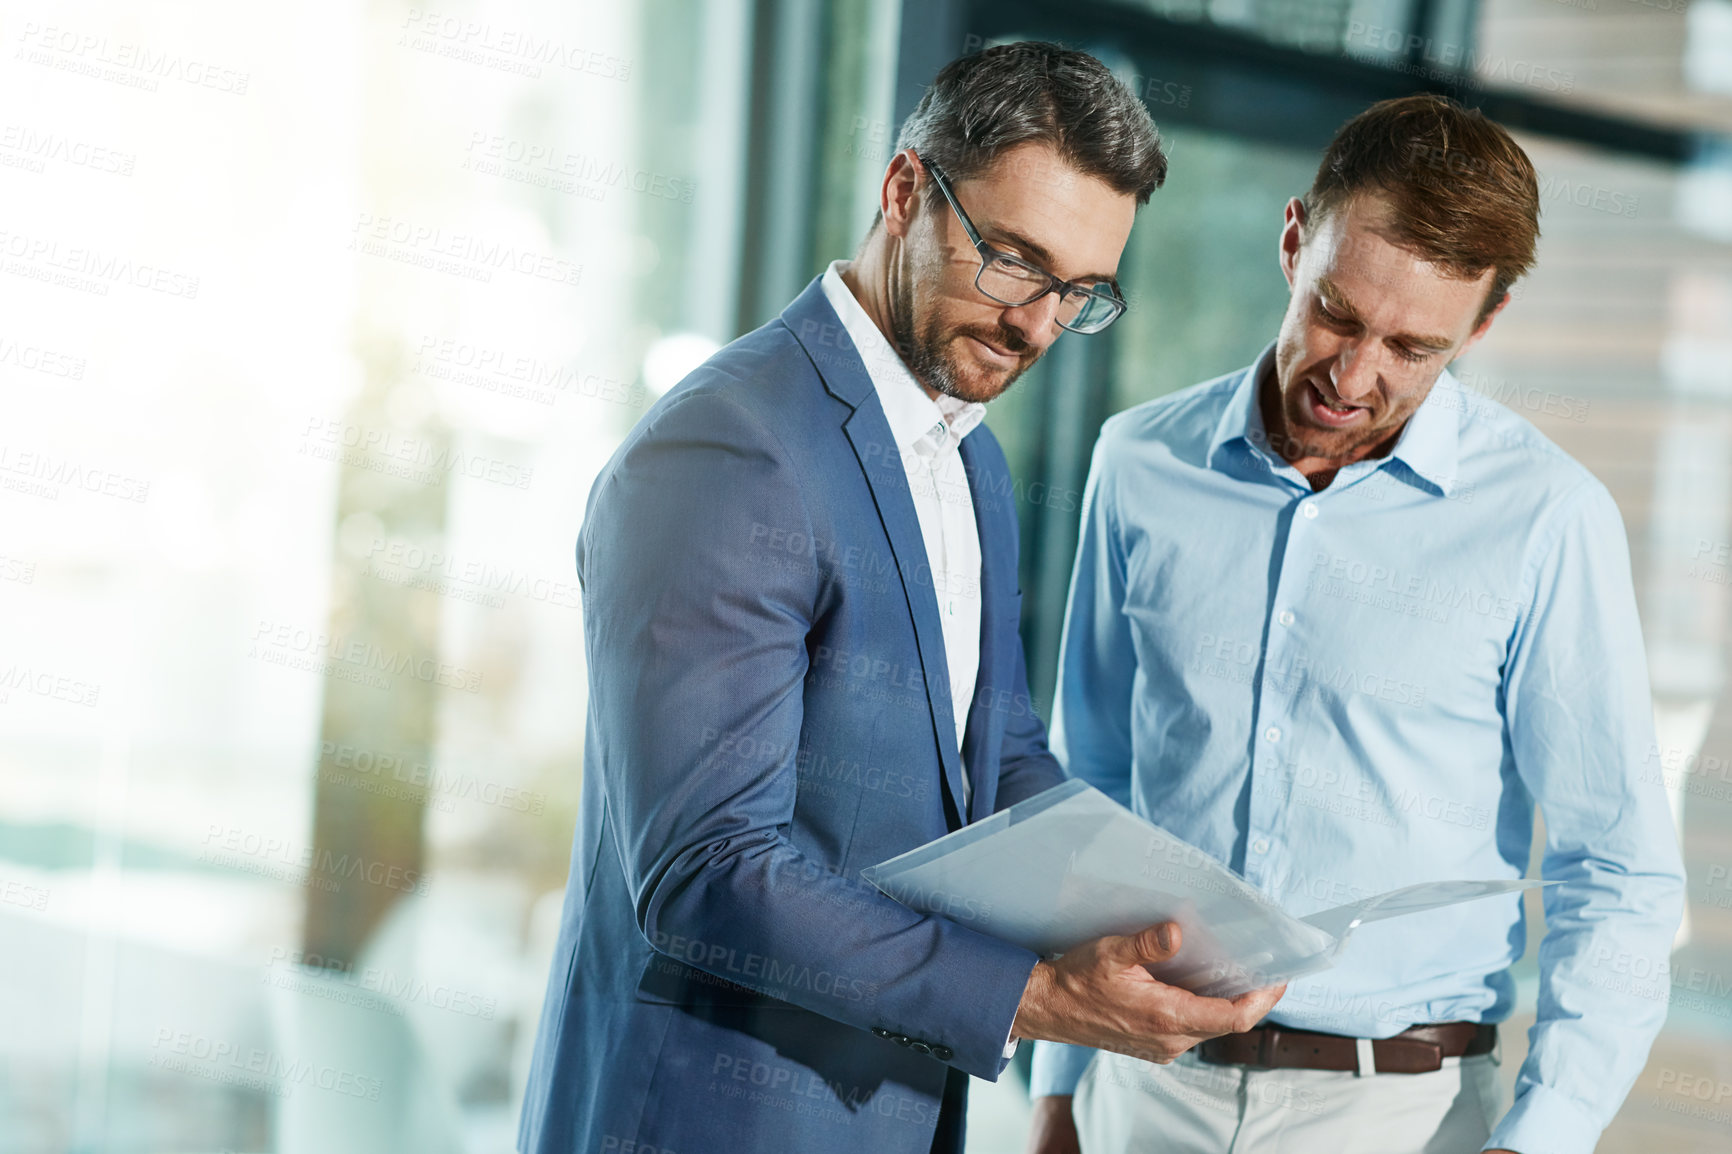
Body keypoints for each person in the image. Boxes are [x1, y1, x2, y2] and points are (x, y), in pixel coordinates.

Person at [518, 42, 1283, 1154]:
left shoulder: (961, 451)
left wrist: (1175, 925)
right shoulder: (729, 446)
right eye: (1015, 261)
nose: (1036, 327)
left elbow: (999, 756)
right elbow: (707, 873)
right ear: (904, 189)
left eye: (1078, 292)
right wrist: (1039, 996)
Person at [1026, 93, 1687, 1154]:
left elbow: (1615, 869)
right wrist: (1058, 1081)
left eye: (1413, 346)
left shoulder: (1546, 519)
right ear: (1294, 240)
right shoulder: (1137, 461)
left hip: (1398, 1110)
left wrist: (1543, 1133)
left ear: (1484, 323)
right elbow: (1092, 774)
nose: (1353, 374)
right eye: (1337, 312)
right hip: (1138, 1090)